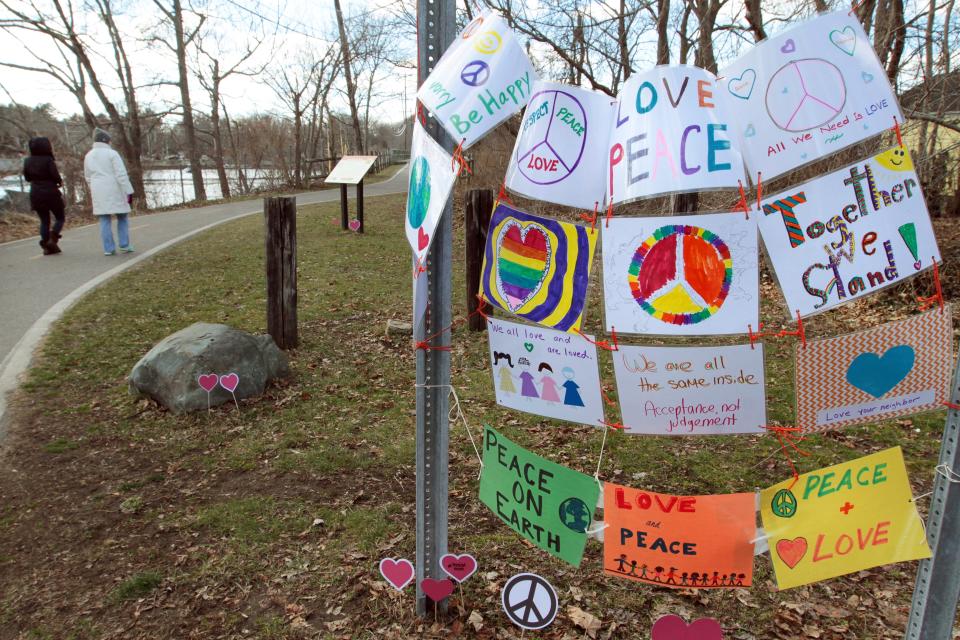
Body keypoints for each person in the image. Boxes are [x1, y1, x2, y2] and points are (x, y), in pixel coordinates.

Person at [84, 128, 134, 256]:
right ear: (106, 141)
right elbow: (121, 174)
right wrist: (129, 191)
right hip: (114, 188)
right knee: (122, 216)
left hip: (98, 189)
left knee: (104, 218)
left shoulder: (89, 155)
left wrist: (93, 187)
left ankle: (108, 248)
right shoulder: (112, 154)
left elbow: (88, 176)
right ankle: (124, 244)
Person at [22, 137, 66, 255]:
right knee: (60, 217)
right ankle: (54, 237)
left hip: (36, 193)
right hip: (51, 192)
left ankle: (47, 246)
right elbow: (55, 176)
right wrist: (59, 182)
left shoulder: (27, 161)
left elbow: (27, 178)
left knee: (44, 221)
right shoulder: (48, 160)